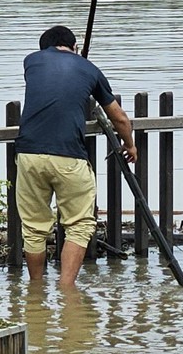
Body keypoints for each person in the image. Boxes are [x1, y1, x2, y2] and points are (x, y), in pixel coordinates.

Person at [14, 24, 137, 289]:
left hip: (29, 155)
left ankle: (36, 290)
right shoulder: (89, 69)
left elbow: (53, 87)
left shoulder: (31, 62)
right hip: (69, 156)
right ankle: (66, 290)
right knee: (79, 225)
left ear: (44, 48)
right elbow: (119, 118)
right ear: (75, 47)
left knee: (34, 228)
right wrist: (130, 145)